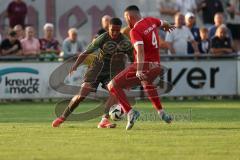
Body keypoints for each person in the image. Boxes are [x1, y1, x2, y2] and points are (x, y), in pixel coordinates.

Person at [52, 18, 133, 128]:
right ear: (108, 28)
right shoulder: (103, 38)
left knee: (115, 91)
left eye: (117, 30)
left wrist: (131, 76)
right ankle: (63, 117)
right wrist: (75, 66)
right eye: (112, 30)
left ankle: (104, 120)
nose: (114, 33)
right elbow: (86, 52)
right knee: (82, 94)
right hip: (97, 68)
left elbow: (134, 60)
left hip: (112, 71)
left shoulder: (125, 42)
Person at [107, 5, 175, 130]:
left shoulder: (135, 31)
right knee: (147, 85)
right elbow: (163, 22)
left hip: (145, 65)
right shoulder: (150, 20)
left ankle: (130, 112)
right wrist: (167, 25)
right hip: (157, 67)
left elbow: (140, 51)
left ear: (129, 17)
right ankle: (161, 113)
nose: (126, 21)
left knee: (112, 85)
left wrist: (139, 70)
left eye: (125, 18)